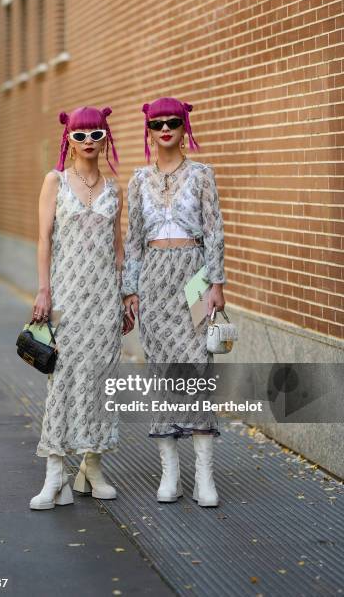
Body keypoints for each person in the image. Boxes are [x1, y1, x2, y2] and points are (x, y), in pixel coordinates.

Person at [122, 97, 227, 507]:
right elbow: (131, 241)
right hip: (153, 279)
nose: (164, 129)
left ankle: (205, 477)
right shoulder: (136, 180)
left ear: (184, 128)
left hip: (195, 276)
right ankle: (170, 473)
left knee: (199, 366)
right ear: (148, 130)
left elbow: (215, 230)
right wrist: (130, 289)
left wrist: (217, 281)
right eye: (156, 123)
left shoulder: (202, 175)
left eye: (172, 122)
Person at [30, 106, 131, 511]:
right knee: (63, 380)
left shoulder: (114, 190)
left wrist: (126, 295)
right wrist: (43, 291)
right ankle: (55, 474)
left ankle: (91, 466)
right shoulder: (54, 181)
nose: (88, 141)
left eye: (95, 134)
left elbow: (118, 249)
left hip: (105, 300)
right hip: (67, 299)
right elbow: (44, 240)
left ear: (105, 137)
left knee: (101, 380)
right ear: (68, 139)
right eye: (80, 135)